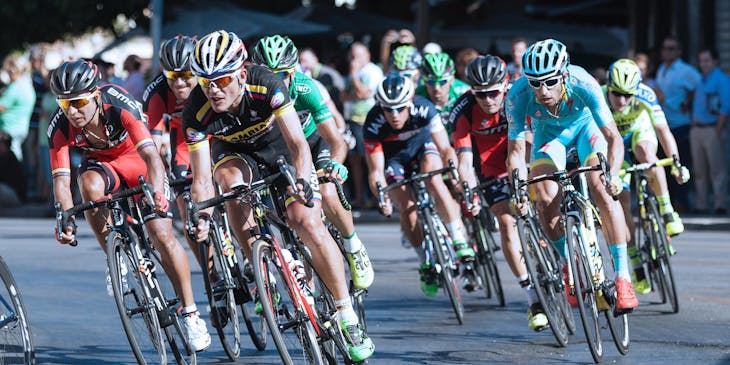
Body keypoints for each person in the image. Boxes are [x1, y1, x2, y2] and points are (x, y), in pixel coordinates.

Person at [184, 30, 373, 361]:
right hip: (236, 155)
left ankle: (346, 314)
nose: (213, 89)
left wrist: (305, 180)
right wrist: (201, 214)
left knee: (306, 221)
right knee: (230, 187)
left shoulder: (266, 82)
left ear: (241, 74)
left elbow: (300, 144)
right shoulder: (196, 111)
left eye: (222, 80)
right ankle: (262, 274)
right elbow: (201, 178)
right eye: (205, 82)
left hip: (280, 148)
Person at [48, 59, 211, 351]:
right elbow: (62, 182)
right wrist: (66, 219)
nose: (73, 111)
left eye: (80, 102)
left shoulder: (120, 103)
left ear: (95, 95)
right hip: (103, 165)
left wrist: (159, 194)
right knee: (87, 185)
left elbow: (152, 158)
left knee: (161, 234)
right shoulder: (59, 126)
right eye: (65, 104)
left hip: (137, 160)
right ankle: (115, 259)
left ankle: (190, 312)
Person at [506, 39, 638, 313]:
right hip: (549, 137)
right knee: (543, 196)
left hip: (586, 132)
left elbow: (613, 138)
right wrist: (517, 191)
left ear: (564, 74)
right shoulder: (517, 95)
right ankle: (570, 263)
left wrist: (612, 175)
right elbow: (516, 154)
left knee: (601, 187)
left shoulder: (584, 83)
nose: (542, 91)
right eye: (535, 82)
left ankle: (623, 278)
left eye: (551, 81)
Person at [251, 34, 374, 290]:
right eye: (268, 74)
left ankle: (353, 247)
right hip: (283, 153)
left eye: (282, 75)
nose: (276, 82)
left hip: (314, 143)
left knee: (328, 190)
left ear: (293, 73)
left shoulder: (306, 88)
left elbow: (336, 141)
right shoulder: (253, 95)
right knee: (293, 219)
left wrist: (336, 165)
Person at [450, 55, 547, 330]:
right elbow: (465, 161)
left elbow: (535, 137)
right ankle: (532, 299)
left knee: (545, 192)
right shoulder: (463, 111)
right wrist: (469, 190)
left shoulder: (521, 95)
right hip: (490, 170)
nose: (488, 100)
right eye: (480, 95)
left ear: (505, 85)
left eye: (493, 93)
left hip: (524, 157)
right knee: (506, 223)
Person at [365, 73, 474, 297]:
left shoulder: (424, 108)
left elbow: (445, 148)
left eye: (400, 108)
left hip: (423, 148)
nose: (394, 115)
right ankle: (425, 261)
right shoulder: (373, 122)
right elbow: (375, 169)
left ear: (410, 103)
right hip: (394, 158)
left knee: (433, 177)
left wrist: (453, 172)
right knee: (408, 209)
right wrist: (381, 197)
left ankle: (458, 237)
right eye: (388, 109)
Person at [604, 59, 690, 294]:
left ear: (636, 91)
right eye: (616, 94)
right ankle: (635, 262)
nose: (621, 101)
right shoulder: (599, 97)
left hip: (638, 133)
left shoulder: (646, 94)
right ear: (608, 87)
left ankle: (666, 210)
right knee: (621, 202)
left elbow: (663, 131)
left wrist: (676, 163)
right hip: (614, 145)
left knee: (647, 154)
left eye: (627, 96)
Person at [142, 35, 214, 275]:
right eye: (173, 76)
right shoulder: (157, 93)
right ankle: (212, 275)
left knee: (232, 186)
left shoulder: (210, 82)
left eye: (185, 76)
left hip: (216, 134)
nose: (180, 84)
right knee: (187, 208)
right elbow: (150, 146)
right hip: (184, 142)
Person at [656, 36, 701, 213]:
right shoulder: (661, 69)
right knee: (665, 165)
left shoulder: (685, 70)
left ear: (679, 51)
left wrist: (689, 103)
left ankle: (683, 202)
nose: (667, 51)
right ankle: (671, 201)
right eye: (665, 48)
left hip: (680, 124)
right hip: (663, 123)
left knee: (680, 163)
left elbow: (699, 86)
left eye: (671, 48)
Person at [342, 42, 384, 209]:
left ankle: (376, 197)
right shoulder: (353, 74)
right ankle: (360, 198)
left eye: (358, 56)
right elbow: (344, 96)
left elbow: (362, 93)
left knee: (370, 160)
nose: (354, 60)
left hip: (367, 120)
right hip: (352, 120)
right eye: (352, 56)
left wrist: (353, 75)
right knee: (355, 161)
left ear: (367, 56)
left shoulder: (372, 71)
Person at [691, 48, 730, 215]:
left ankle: (720, 203)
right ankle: (701, 204)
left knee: (717, 169)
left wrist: (718, 130)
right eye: (701, 61)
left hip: (712, 128)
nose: (703, 64)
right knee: (699, 170)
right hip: (697, 129)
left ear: (715, 62)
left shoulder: (721, 79)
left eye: (706, 60)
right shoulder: (700, 80)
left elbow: (725, 107)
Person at [0, 53, 36, 205]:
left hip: (9, 130)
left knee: (12, 165)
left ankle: (16, 194)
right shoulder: (27, 85)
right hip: (20, 128)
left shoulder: (15, 87)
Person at [415, 52, 471, 133]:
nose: (436, 88)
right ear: (424, 81)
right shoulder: (417, 97)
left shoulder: (465, 93)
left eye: (442, 82)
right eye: (431, 82)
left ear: (452, 79)